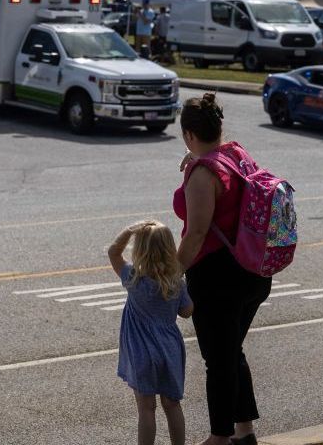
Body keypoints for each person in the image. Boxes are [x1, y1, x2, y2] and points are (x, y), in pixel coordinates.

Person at [174, 93, 272, 445]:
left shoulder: (204, 173)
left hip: (218, 279)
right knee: (232, 351)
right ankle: (244, 432)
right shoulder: (236, 154)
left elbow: (197, 232)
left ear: (188, 134)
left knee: (218, 360)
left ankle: (219, 437)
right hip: (254, 271)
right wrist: (196, 158)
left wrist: (172, 275)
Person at [108, 220, 194, 445]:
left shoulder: (133, 279)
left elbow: (113, 252)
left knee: (146, 408)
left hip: (141, 352)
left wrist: (129, 229)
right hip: (169, 350)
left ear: (140, 250)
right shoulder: (176, 282)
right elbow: (187, 312)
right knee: (172, 405)